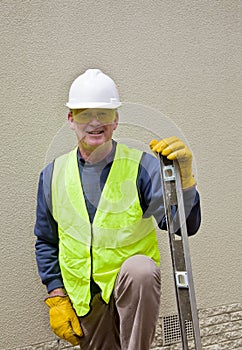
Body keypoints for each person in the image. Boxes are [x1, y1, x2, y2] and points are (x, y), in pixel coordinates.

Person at [34, 69, 201, 350]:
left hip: (131, 288)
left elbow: (182, 225)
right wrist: (56, 296)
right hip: (86, 296)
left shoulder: (141, 167)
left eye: (105, 113)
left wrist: (184, 181)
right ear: (71, 120)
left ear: (116, 120)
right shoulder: (52, 174)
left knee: (141, 270)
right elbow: (47, 240)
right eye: (85, 114)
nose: (95, 122)